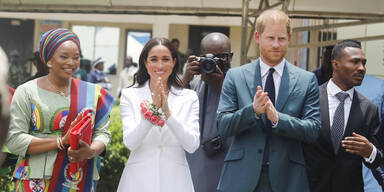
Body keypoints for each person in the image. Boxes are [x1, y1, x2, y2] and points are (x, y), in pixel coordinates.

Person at [216, 9, 321, 192]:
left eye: (281, 39)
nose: (276, 44)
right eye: (270, 38)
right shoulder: (235, 76)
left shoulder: (306, 80)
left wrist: (278, 119)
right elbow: (223, 126)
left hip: (288, 179)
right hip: (241, 177)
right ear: (257, 37)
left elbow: (313, 130)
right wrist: (252, 111)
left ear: (289, 38)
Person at [6, 28, 115, 192]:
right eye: (64, 56)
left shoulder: (92, 93)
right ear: (49, 60)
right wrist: (60, 142)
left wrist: (91, 151)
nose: (71, 62)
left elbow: (103, 133)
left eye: (76, 57)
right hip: (36, 180)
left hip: (78, 179)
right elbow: (14, 139)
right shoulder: (27, 91)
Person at [117, 37, 200, 192]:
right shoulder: (130, 95)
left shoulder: (189, 97)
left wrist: (168, 113)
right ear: (145, 63)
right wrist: (153, 111)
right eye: (154, 59)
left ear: (174, 62)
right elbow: (130, 142)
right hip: (138, 180)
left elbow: (192, 145)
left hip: (176, 180)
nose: (160, 65)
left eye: (166, 59)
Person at [303, 40, 383, 192]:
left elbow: (378, 158)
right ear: (336, 64)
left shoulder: (369, 109)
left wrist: (369, 151)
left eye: (364, 63)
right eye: (355, 62)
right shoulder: (310, 99)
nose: (362, 68)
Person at [183, 32, 232, 192]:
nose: (213, 63)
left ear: (230, 57)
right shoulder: (194, 82)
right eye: (208, 58)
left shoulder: (239, 81)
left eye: (220, 57)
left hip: (226, 161)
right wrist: (185, 79)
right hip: (195, 162)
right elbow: (173, 113)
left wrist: (221, 86)